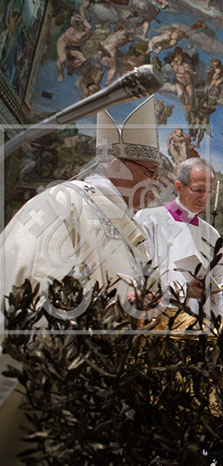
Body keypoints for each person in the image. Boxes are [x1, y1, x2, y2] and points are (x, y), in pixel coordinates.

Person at [0, 97, 165, 465]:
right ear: (117, 165)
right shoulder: (61, 204)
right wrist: (110, 316)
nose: (156, 183)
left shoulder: (128, 227)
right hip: (57, 386)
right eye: (150, 171)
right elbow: (40, 290)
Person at [135, 158, 223, 318]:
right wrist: (184, 290)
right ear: (179, 187)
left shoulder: (211, 234)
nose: (204, 198)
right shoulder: (149, 220)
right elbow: (137, 277)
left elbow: (217, 295)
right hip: (159, 320)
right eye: (198, 190)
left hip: (198, 324)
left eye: (210, 192)